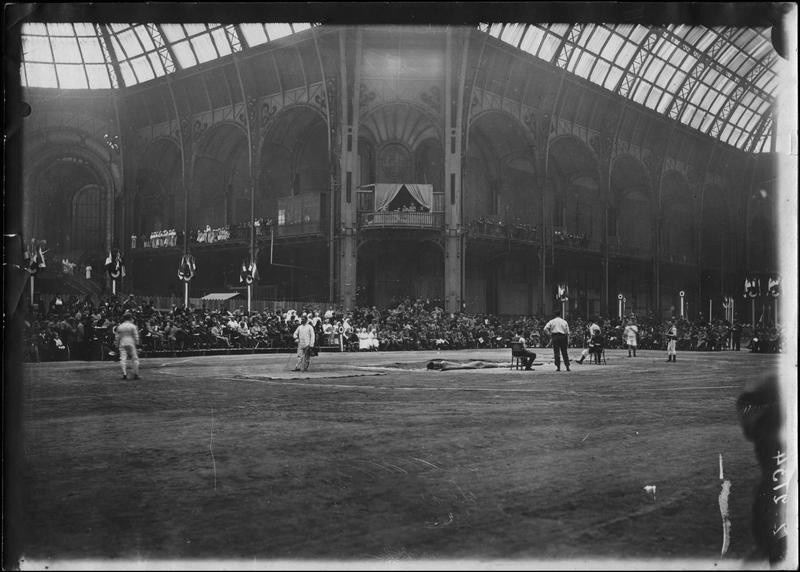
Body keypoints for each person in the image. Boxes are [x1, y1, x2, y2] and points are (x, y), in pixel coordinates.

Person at [115, 312, 140, 380]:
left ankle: (124, 374)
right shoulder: (132, 326)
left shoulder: (120, 326)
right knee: (134, 359)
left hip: (122, 342)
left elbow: (117, 337)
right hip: (131, 342)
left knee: (123, 359)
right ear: (130, 318)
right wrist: (137, 343)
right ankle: (136, 374)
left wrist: (116, 345)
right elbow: (136, 336)